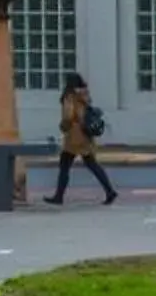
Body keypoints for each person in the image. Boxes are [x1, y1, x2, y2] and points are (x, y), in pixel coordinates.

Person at [46, 73, 118, 205]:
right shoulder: (85, 95)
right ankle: (109, 191)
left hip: (74, 135)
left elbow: (68, 116)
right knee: (91, 164)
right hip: (86, 134)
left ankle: (59, 196)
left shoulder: (70, 96)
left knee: (65, 165)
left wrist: (63, 126)